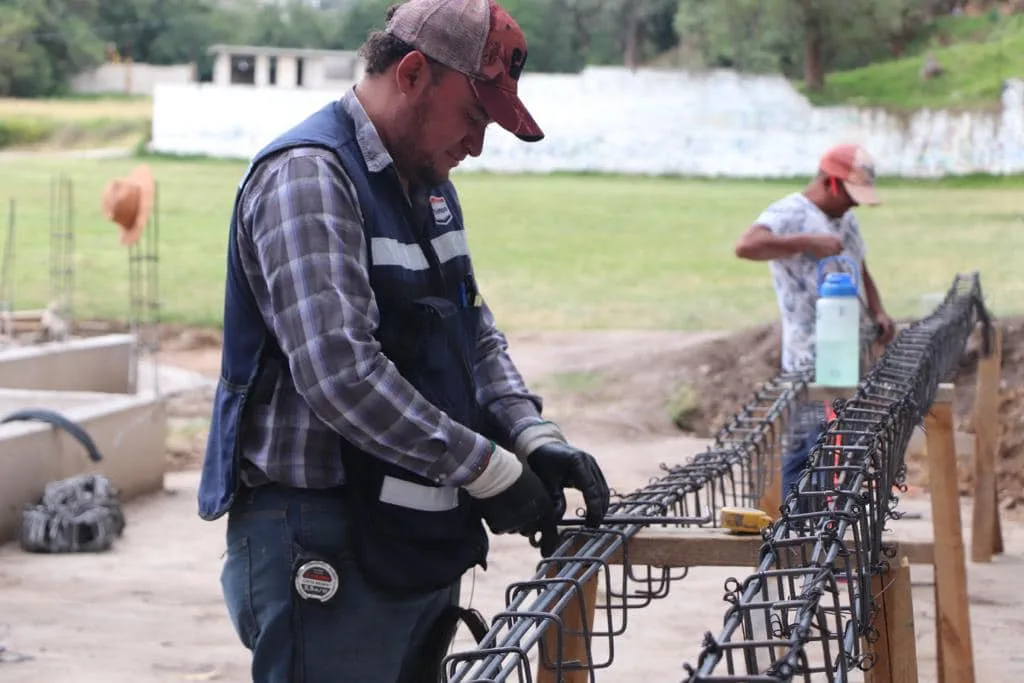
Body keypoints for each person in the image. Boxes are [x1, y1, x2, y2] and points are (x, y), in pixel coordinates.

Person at [196, 1, 611, 681]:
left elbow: (473, 332)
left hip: (410, 537)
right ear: (414, 73)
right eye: (474, 117)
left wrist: (534, 437)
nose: (477, 145)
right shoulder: (311, 176)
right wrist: (489, 467)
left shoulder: (432, 189)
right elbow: (340, 374)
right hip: (323, 535)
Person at [733, 143, 896, 508]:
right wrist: (806, 242)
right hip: (810, 360)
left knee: (835, 452)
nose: (854, 204)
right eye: (850, 195)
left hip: (847, 354)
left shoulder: (846, 219)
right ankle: (801, 539)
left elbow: (861, 265)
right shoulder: (790, 212)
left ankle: (822, 533)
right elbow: (746, 246)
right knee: (810, 452)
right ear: (830, 182)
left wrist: (878, 310)